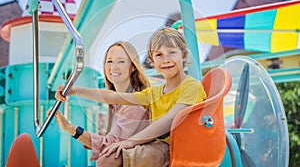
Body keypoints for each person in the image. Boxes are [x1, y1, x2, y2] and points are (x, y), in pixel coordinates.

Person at [55, 27, 207, 167]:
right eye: (159, 55)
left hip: (180, 148)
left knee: (108, 159)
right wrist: (74, 90)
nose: (166, 59)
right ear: (152, 61)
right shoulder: (154, 92)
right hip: (160, 146)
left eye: (172, 52)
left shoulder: (191, 86)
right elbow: (114, 97)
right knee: (108, 158)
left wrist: (129, 142)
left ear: (184, 55)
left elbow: (169, 120)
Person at [48, 41, 150, 161]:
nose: (113, 67)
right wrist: (72, 90)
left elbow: (108, 146)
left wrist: (69, 127)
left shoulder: (135, 105)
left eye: (121, 61)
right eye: (109, 61)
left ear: (133, 67)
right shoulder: (116, 105)